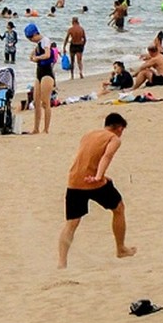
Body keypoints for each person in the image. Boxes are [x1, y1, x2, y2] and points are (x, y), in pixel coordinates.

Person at [58, 112, 136, 269]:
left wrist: (102, 176)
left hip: (74, 180)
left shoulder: (89, 134)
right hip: (93, 181)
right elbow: (106, 157)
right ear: (119, 128)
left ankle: (61, 263)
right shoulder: (114, 139)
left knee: (71, 223)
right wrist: (99, 177)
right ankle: (120, 249)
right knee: (119, 208)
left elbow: (86, 158)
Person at [25, 23, 56, 134]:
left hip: (47, 73)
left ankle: (46, 129)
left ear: (34, 34)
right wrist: (33, 57)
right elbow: (32, 55)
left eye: (30, 38)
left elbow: (47, 55)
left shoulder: (45, 41)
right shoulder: (38, 44)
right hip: (39, 72)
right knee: (36, 101)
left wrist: (37, 58)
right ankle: (36, 128)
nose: (31, 40)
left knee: (45, 102)